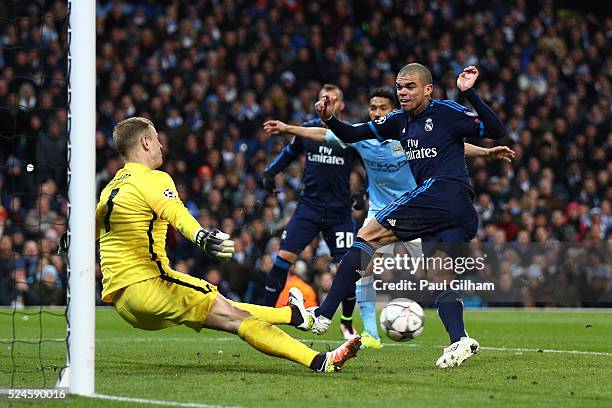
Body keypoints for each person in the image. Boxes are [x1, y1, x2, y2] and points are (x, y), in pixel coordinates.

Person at [87, 117, 360, 373]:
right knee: (237, 317)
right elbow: (176, 214)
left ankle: (298, 320)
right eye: (157, 139)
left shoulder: (111, 187)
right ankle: (314, 347)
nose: (161, 145)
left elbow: (94, 229)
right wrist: (201, 236)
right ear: (145, 143)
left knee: (230, 311)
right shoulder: (153, 179)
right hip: (150, 286)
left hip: (122, 303)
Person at [264, 87, 514, 349]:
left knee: (436, 274)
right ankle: (371, 331)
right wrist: (290, 128)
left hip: (421, 204)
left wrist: (485, 152)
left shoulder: (404, 131)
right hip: (383, 207)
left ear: (393, 109)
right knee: (365, 264)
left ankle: (325, 314)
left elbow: (452, 145)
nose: (377, 113)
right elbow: (324, 134)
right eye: (373, 108)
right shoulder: (368, 137)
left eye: (383, 108)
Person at [310, 64, 506, 368]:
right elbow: (353, 132)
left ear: (428, 89)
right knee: (439, 278)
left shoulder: (446, 112)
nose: (403, 92)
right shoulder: (398, 121)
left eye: (410, 86)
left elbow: (496, 130)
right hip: (456, 212)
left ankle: (323, 315)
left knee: (367, 235)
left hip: (442, 193)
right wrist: (329, 119)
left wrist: (470, 94)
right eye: (400, 87)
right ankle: (460, 339)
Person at [261, 84, 360, 339]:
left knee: (348, 267)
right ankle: (264, 314)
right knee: (283, 257)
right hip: (309, 207)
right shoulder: (306, 130)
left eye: (333, 100)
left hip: (339, 212)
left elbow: (371, 164)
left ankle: (346, 322)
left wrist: (365, 192)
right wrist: (272, 171)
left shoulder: (350, 134)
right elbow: (290, 152)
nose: (327, 104)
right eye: (323, 100)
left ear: (341, 105)